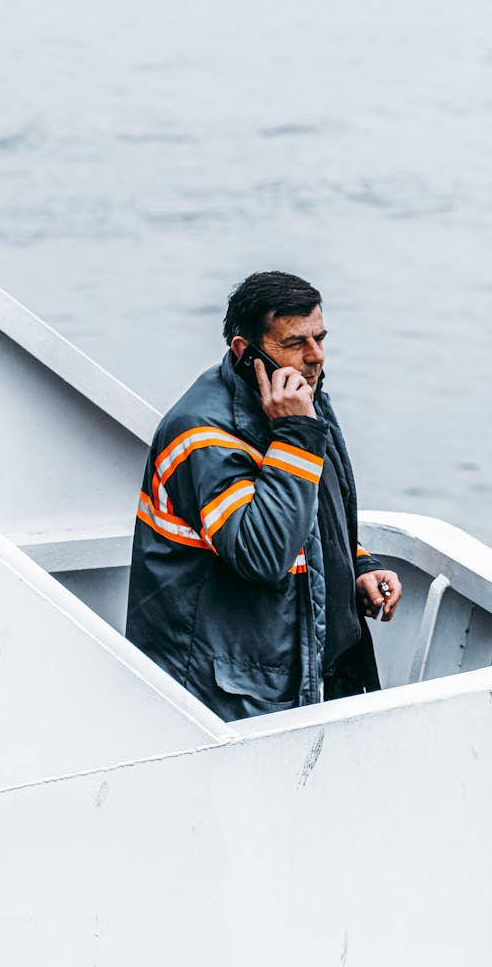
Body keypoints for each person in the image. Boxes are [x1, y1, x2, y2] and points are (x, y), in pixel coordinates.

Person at [125, 271, 401, 721]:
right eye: (296, 343)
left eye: (320, 338)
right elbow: (262, 554)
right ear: (244, 351)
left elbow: (312, 515)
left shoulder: (299, 399)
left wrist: (358, 564)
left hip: (318, 674)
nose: (316, 357)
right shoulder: (203, 436)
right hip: (236, 702)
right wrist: (295, 435)